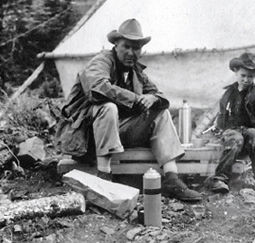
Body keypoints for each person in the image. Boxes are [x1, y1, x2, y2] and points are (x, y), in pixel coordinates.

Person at [55, 18, 202, 202]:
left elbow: (161, 96)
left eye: (136, 48)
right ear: (116, 44)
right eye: (127, 46)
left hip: (116, 136)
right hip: (87, 137)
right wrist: (135, 99)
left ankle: (172, 178)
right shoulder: (101, 62)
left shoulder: (136, 72)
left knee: (161, 113)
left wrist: (152, 98)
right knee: (108, 108)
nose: (131, 53)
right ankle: (104, 176)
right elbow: (97, 87)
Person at [210, 52, 255, 193]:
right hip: (233, 129)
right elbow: (223, 112)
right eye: (243, 75)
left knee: (254, 136)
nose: (246, 79)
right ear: (236, 72)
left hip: (249, 128)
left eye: (250, 76)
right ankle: (220, 178)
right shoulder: (229, 93)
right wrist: (220, 128)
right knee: (235, 138)